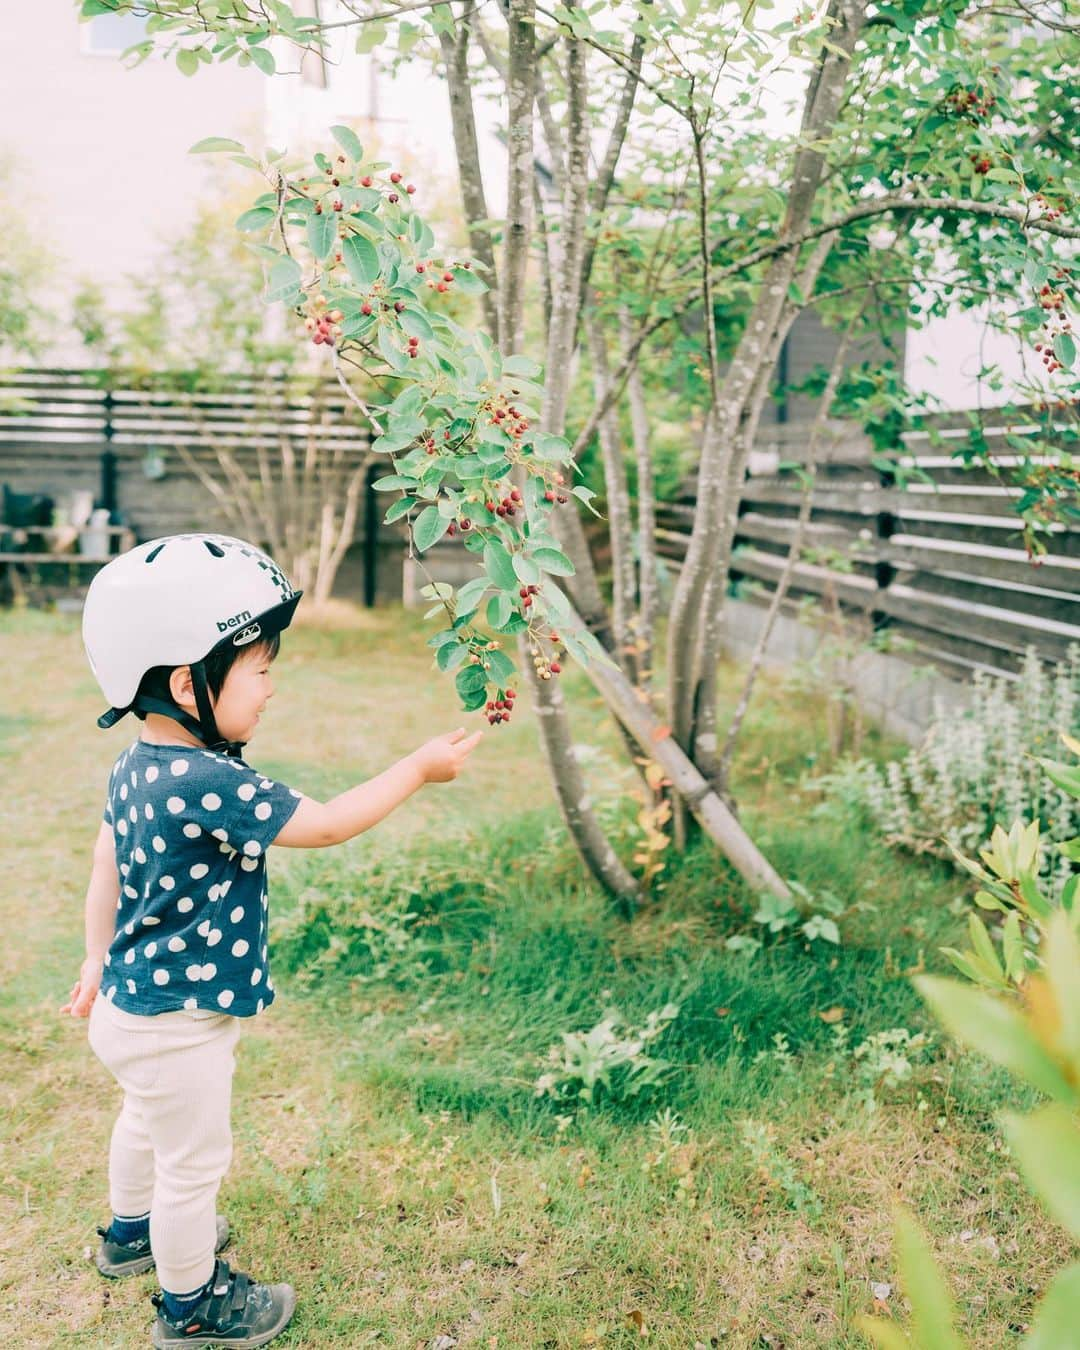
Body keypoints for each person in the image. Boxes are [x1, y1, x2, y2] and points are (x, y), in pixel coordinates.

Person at [60, 533, 482, 1348]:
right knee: (194, 1168)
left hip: (130, 1006)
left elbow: (103, 870)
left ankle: (128, 1235)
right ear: (187, 682)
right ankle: (191, 1307)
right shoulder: (212, 782)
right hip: (179, 1023)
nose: (270, 686)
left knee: (145, 1122)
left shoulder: (135, 767)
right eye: (257, 667)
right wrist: (416, 769)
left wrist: (94, 956)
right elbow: (323, 826)